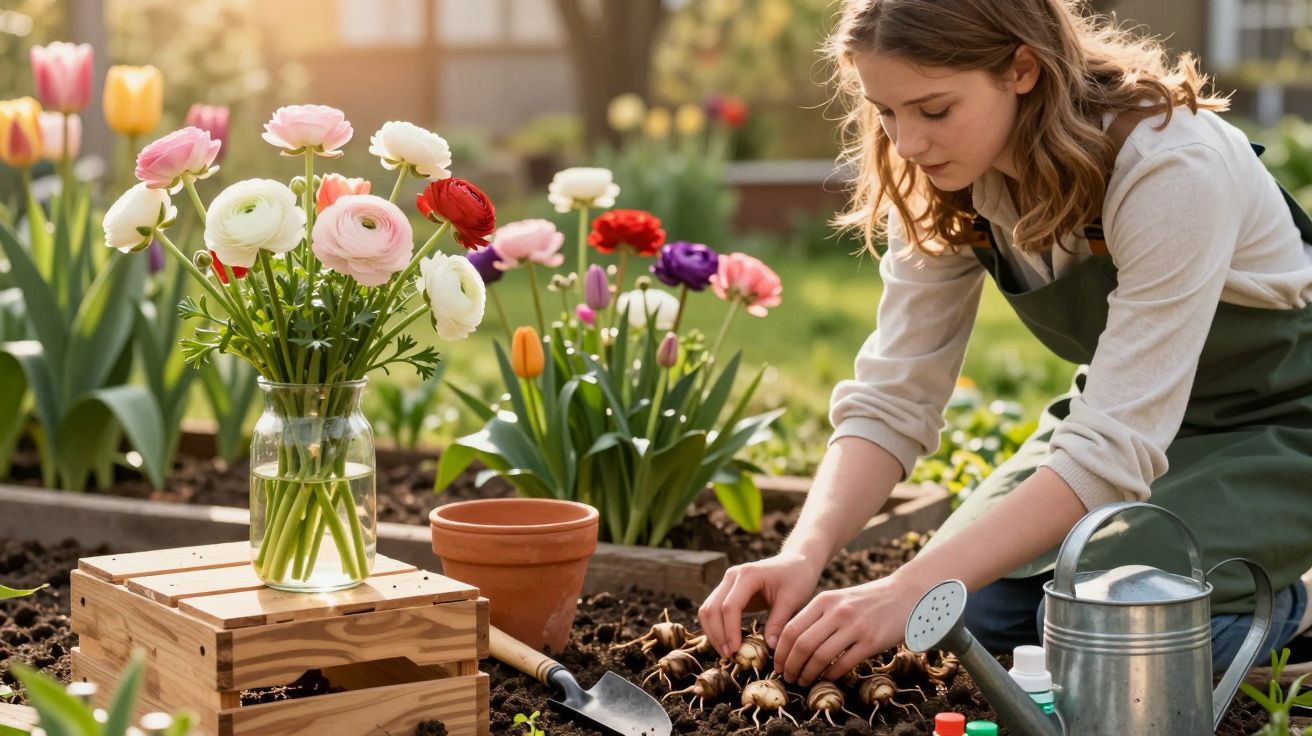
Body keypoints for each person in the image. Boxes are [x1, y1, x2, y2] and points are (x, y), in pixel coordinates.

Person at [698, 0, 1312, 689]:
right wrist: (803, 553)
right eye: (886, 111)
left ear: (1022, 68)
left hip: (1277, 429)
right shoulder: (945, 175)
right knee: (969, 621)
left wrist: (900, 590)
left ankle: (1292, 595)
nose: (907, 143)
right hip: (1126, 421)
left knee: (1113, 642)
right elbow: (895, 396)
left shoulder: (1170, 166)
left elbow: (1113, 448)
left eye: (933, 110)